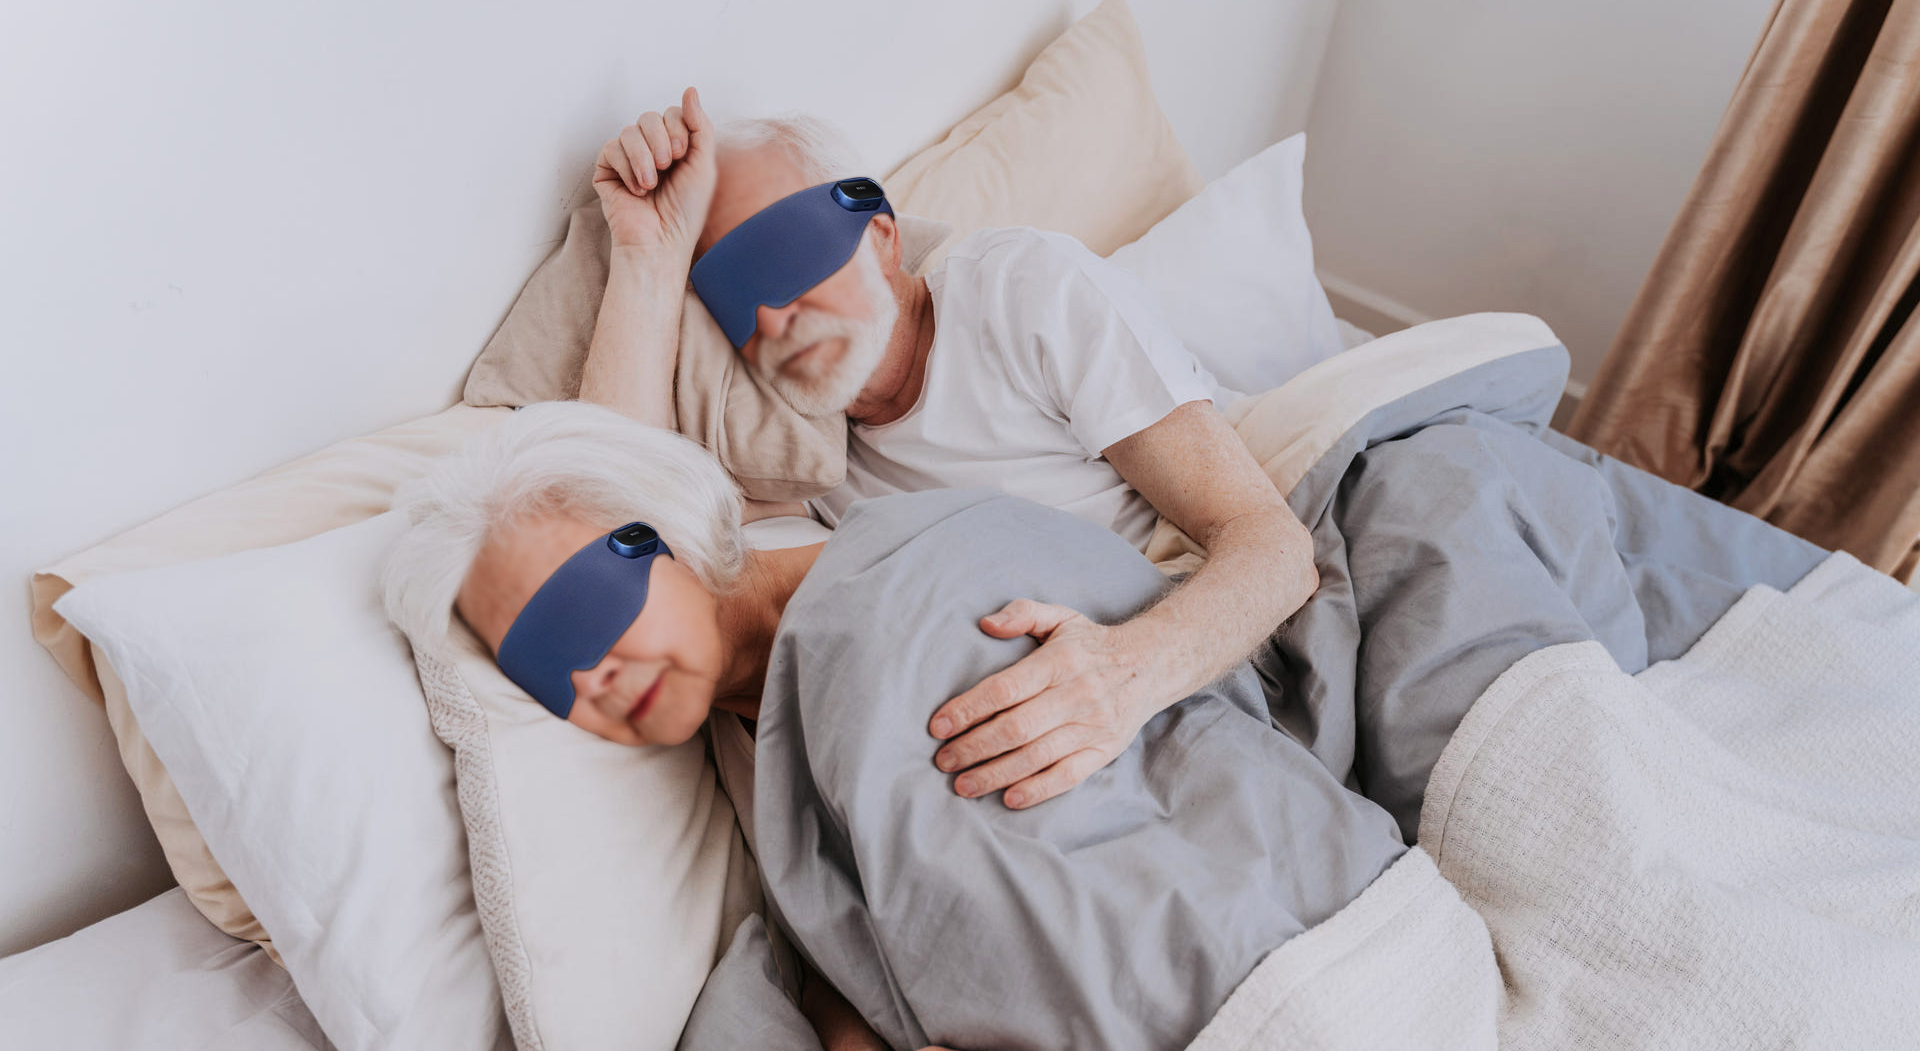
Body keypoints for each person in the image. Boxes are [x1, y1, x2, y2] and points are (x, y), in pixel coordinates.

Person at [381, 401, 1403, 1051]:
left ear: (666, 529)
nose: (587, 675)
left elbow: (1073, 906)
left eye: (579, 613)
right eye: (538, 667)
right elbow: (866, 934)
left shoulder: (907, 583)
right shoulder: (745, 739)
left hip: (1319, 974)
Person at [577, 86, 1320, 811]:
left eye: (794, 254)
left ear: (881, 237)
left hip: (1225, 635)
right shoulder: (795, 461)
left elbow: (1272, 545)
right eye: (738, 289)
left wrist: (1125, 674)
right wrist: (648, 256)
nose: (781, 312)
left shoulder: (1022, 295)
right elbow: (608, 532)